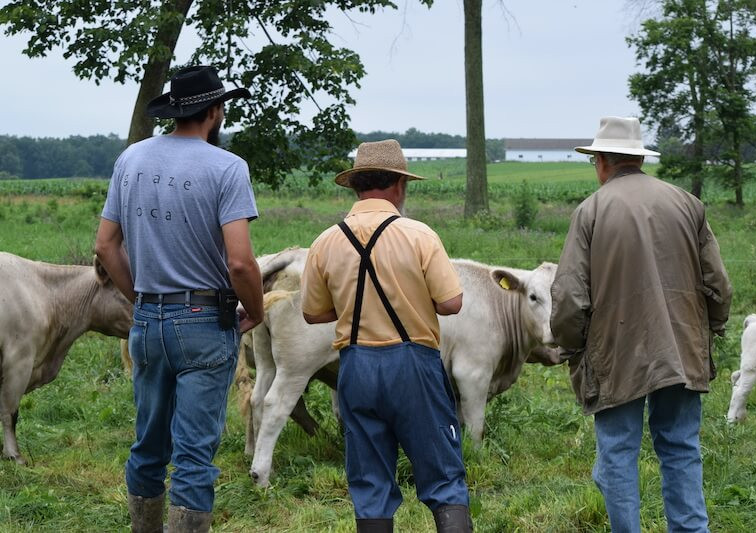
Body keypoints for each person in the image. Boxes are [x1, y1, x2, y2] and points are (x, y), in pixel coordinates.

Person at [94, 65, 264, 533]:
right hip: (205, 323)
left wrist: (142, 300)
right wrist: (259, 309)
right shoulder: (228, 167)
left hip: (147, 321)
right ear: (214, 111)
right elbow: (241, 264)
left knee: (147, 445)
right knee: (193, 453)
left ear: (175, 111)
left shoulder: (130, 160)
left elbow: (106, 245)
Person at [550, 117, 732, 533]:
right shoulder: (687, 203)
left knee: (617, 452)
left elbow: (569, 296)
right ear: (637, 158)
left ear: (601, 161)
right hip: (682, 346)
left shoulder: (590, 212)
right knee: (681, 447)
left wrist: (572, 346)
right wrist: (712, 328)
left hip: (615, 351)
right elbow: (717, 284)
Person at [301, 139, 472, 533]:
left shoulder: (326, 241)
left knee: (370, 481)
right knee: (444, 477)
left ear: (357, 186)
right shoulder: (419, 235)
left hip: (356, 366)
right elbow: (451, 304)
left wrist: (351, 308)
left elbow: (312, 313)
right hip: (413, 364)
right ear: (398, 184)